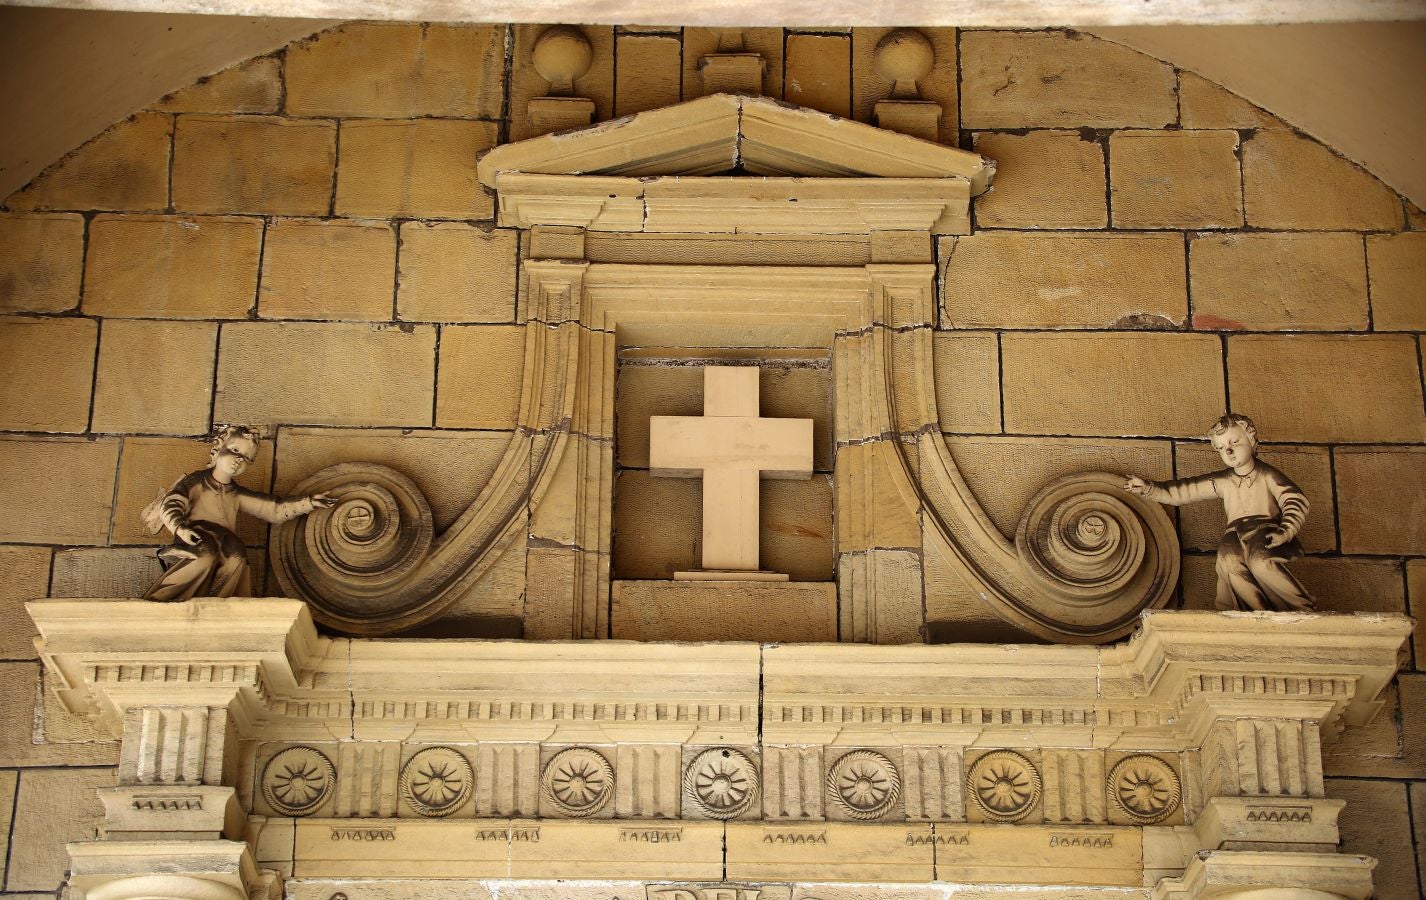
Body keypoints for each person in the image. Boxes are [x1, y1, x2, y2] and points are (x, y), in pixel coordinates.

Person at [1125, 413, 1313, 612]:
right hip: (1234, 533)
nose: (1229, 451)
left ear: (1251, 439)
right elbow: (1184, 491)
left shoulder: (1267, 475)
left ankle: (1300, 606)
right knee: (1228, 561)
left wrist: (1285, 530)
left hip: (1264, 529)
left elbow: (1295, 500)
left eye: (1234, 442)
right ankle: (1256, 612)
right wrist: (1149, 488)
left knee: (1260, 561)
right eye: (1222, 448)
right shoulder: (1223, 480)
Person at [141, 426, 333, 602]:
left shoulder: (236, 493)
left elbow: (273, 509)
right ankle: (165, 597)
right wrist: (180, 528)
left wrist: (308, 503)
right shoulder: (197, 481)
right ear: (219, 447)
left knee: (236, 558)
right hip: (198, 534)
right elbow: (172, 503)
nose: (239, 459)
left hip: (224, 539)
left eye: (247, 458)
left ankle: (217, 602)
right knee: (204, 557)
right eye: (235, 450)